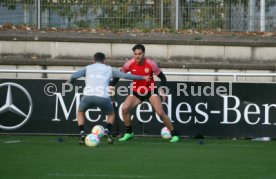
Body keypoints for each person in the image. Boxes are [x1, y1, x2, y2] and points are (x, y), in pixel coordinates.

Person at [67, 52, 150, 144]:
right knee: (111, 114)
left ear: (93, 60)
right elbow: (125, 75)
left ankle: (82, 132)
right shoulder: (108, 69)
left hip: (87, 96)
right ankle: (108, 131)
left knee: (80, 112)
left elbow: (74, 76)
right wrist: (142, 77)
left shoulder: (88, 68)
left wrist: (71, 82)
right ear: (104, 60)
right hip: (103, 97)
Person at [110, 44, 180, 143]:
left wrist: (162, 89)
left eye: (139, 54)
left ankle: (174, 134)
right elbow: (119, 74)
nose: (137, 56)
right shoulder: (129, 64)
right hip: (136, 91)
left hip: (150, 90)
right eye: (135, 54)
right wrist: (112, 85)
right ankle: (129, 133)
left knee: (160, 112)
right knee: (124, 108)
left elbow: (163, 77)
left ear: (143, 53)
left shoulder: (151, 64)